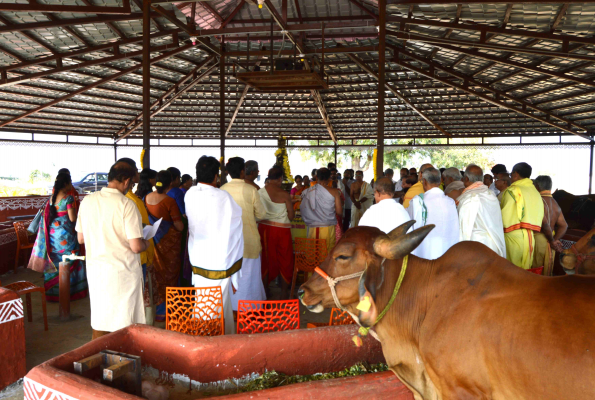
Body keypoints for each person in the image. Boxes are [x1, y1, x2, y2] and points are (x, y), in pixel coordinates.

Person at [75, 162, 150, 339]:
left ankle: (99, 360)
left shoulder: (88, 200)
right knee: (125, 325)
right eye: (131, 184)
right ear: (126, 181)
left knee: (102, 320)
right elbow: (136, 246)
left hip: (97, 272)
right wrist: (146, 241)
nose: (130, 187)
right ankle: (124, 362)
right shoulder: (126, 204)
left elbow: (81, 238)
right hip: (122, 274)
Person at [186, 156, 243, 334]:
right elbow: (235, 224)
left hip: (199, 256)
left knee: (203, 300)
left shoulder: (190, 194)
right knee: (220, 301)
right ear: (216, 176)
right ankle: (217, 338)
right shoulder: (223, 197)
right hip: (220, 258)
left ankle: (206, 334)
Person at [28, 172, 88, 302]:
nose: (71, 185)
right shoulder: (68, 198)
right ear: (65, 184)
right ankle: (71, 292)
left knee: (55, 261)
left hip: (53, 236)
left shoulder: (50, 199)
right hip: (66, 237)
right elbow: (72, 218)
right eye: (70, 182)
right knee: (71, 259)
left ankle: (54, 293)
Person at [221, 157, 267, 311]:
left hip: (228, 242)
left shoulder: (222, 190)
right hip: (249, 240)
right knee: (249, 277)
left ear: (228, 172)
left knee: (231, 275)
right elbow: (261, 214)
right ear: (242, 171)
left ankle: (231, 309)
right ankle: (250, 310)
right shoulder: (251, 190)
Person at [118, 158, 156, 323]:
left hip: (114, 262)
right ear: (128, 179)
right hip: (135, 258)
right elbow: (137, 242)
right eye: (136, 172)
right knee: (136, 300)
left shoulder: (92, 201)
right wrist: (147, 246)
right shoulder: (131, 203)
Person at [145, 170, 184, 321]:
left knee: (156, 273)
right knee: (170, 274)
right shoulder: (169, 201)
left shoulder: (146, 198)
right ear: (170, 183)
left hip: (153, 242)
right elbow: (179, 226)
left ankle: (157, 308)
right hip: (169, 245)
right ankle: (169, 309)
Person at [258, 166, 295, 299]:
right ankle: (284, 293)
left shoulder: (260, 192)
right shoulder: (284, 194)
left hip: (264, 228)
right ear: (280, 179)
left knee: (265, 259)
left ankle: (266, 290)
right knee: (286, 259)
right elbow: (291, 216)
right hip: (282, 229)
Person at [407, 167, 459, 260]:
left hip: (424, 255)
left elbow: (408, 225)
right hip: (447, 254)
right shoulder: (450, 202)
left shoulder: (418, 202)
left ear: (424, 181)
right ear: (439, 182)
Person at [501, 162, 544, 270]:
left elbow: (505, 218)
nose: (510, 178)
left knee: (511, 271)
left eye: (511, 175)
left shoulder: (513, 190)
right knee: (525, 272)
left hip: (513, 237)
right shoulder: (535, 191)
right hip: (530, 236)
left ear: (516, 174)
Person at [457, 165, 506, 258]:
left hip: (477, 248)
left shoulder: (470, 198)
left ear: (466, 179)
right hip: (495, 244)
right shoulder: (491, 195)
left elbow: (464, 229)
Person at [301, 168, 343, 253]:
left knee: (313, 254)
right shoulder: (334, 191)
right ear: (329, 178)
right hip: (328, 227)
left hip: (312, 228)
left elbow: (303, 209)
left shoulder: (308, 191)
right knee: (326, 254)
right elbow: (339, 212)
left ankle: (313, 266)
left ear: (316, 177)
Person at [533, 175, 568, 275]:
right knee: (546, 272)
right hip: (550, 241)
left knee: (536, 272)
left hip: (539, 239)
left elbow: (545, 225)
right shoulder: (555, 203)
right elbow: (564, 225)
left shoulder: (538, 201)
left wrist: (553, 241)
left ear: (537, 186)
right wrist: (555, 240)